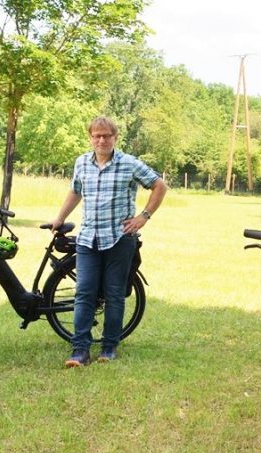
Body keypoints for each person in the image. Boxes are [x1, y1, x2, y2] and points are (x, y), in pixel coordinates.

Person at [47, 116, 167, 367]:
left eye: (107, 136)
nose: (101, 140)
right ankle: (80, 350)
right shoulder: (82, 162)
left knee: (114, 295)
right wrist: (60, 218)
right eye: (97, 136)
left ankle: (109, 347)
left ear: (115, 137)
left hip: (119, 239)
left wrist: (143, 216)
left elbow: (159, 185)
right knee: (84, 293)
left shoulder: (128, 163)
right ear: (90, 137)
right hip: (88, 238)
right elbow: (75, 191)